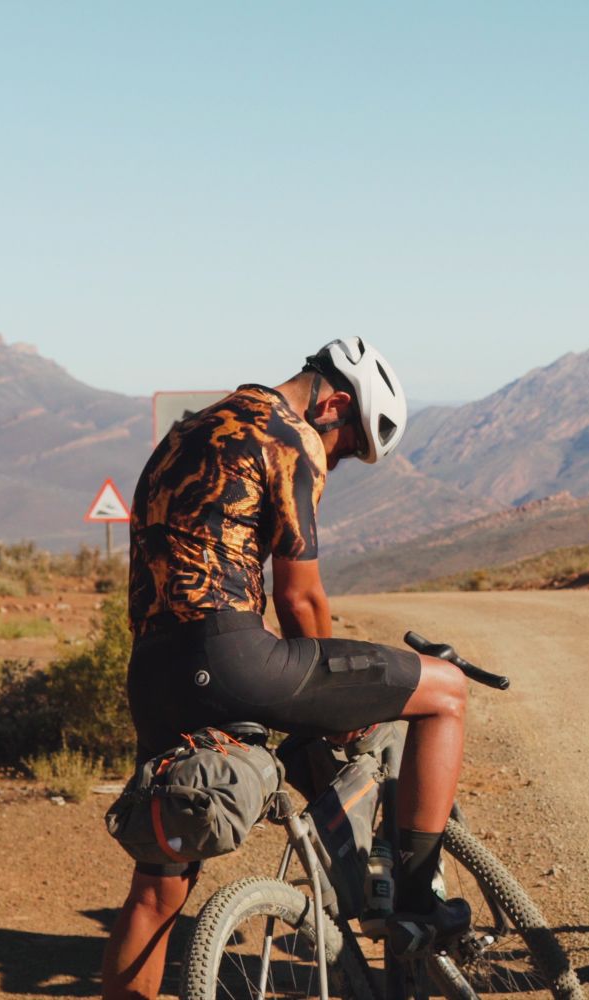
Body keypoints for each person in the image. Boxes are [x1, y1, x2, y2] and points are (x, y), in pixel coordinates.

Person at [101, 338, 470, 1000]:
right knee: (445, 691)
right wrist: (340, 704)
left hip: (155, 673)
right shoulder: (288, 437)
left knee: (156, 895)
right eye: (350, 445)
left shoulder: (187, 433)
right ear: (332, 404)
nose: (341, 460)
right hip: (231, 655)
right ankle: (419, 902)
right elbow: (301, 597)